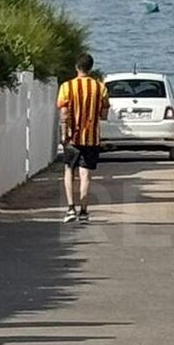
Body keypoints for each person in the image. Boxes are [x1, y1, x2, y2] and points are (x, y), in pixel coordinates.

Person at [56, 53, 108, 223]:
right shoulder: (100, 88)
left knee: (69, 171)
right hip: (91, 137)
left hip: (72, 137)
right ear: (90, 68)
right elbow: (104, 114)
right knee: (85, 174)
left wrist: (64, 134)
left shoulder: (66, 87)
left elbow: (64, 113)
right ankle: (84, 210)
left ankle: (70, 208)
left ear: (77, 67)